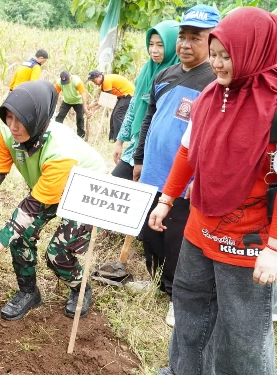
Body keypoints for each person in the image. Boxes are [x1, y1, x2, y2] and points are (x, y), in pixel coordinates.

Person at [149, 8, 277, 375]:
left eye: (227, 57)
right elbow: (189, 151)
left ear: (255, 52)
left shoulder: (273, 108)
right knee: (189, 304)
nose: (218, 65)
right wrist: (167, 198)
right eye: (215, 54)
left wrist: (273, 248)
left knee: (243, 329)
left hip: (248, 239)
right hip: (200, 227)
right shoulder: (209, 95)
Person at [0, 81, 106, 320]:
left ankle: (80, 287)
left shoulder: (59, 151)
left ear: (37, 118)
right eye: (8, 117)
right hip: (47, 187)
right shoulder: (7, 136)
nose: (12, 126)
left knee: (57, 253)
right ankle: (28, 291)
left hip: (84, 193)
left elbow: (30, 209)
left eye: (19, 119)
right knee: (20, 237)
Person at [133, 5, 219, 327]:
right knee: (151, 235)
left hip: (184, 181)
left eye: (194, 38)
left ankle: (176, 295)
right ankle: (156, 282)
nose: (185, 44)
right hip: (153, 173)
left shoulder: (214, 82)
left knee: (177, 240)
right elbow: (148, 120)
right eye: (182, 37)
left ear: (212, 41)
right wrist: (139, 159)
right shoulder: (164, 76)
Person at [111, 20, 179, 180]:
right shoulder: (146, 71)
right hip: (137, 146)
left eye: (160, 45)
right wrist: (120, 141)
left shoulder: (178, 76)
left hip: (159, 152)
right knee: (115, 182)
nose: (154, 50)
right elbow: (133, 108)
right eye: (151, 44)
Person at [86, 70, 134, 142]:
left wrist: (93, 109)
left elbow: (105, 101)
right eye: (92, 81)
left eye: (94, 80)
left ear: (99, 76)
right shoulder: (104, 83)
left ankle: (120, 139)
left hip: (128, 95)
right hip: (122, 97)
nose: (94, 83)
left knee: (117, 115)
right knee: (113, 117)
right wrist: (92, 106)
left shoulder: (106, 81)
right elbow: (103, 99)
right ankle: (112, 140)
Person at [53, 70, 91, 139]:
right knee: (59, 117)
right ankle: (55, 134)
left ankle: (80, 136)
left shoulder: (77, 81)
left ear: (70, 77)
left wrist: (85, 107)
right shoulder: (59, 82)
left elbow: (83, 93)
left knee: (80, 118)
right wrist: (54, 105)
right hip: (66, 101)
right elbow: (56, 94)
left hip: (78, 101)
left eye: (67, 81)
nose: (66, 83)